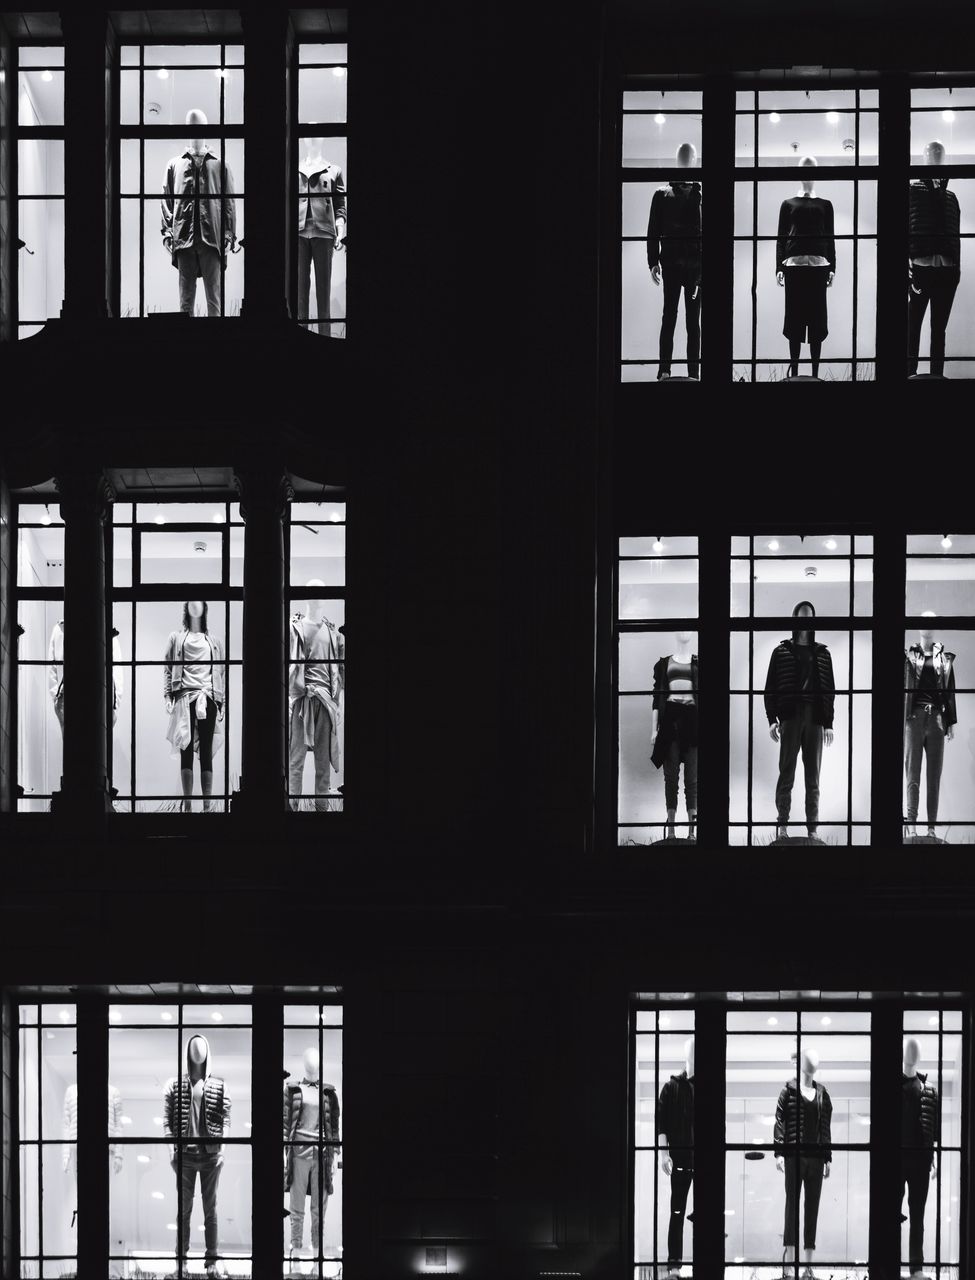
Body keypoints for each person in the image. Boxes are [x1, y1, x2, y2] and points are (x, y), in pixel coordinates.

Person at [764, 602, 835, 840]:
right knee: (787, 772)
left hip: (814, 718)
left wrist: (829, 723)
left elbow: (829, 690)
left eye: (809, 617)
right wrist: (772, 719)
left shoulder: (823, 654)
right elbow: (770, 687)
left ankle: (812, 830)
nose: (805, 621)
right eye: (801, 616)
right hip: (790, 717)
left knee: (812, 776)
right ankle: (782, 825)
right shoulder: (781, 652)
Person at [646, 143, 702, 380]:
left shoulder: (700, 195)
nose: (687, 160)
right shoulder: (662, 193)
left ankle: (693, 373)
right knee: (669, 317)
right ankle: (664, 370)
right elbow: (653, 229)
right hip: (671, 262)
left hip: (694, 267)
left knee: (692, 322)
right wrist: (652, 261)